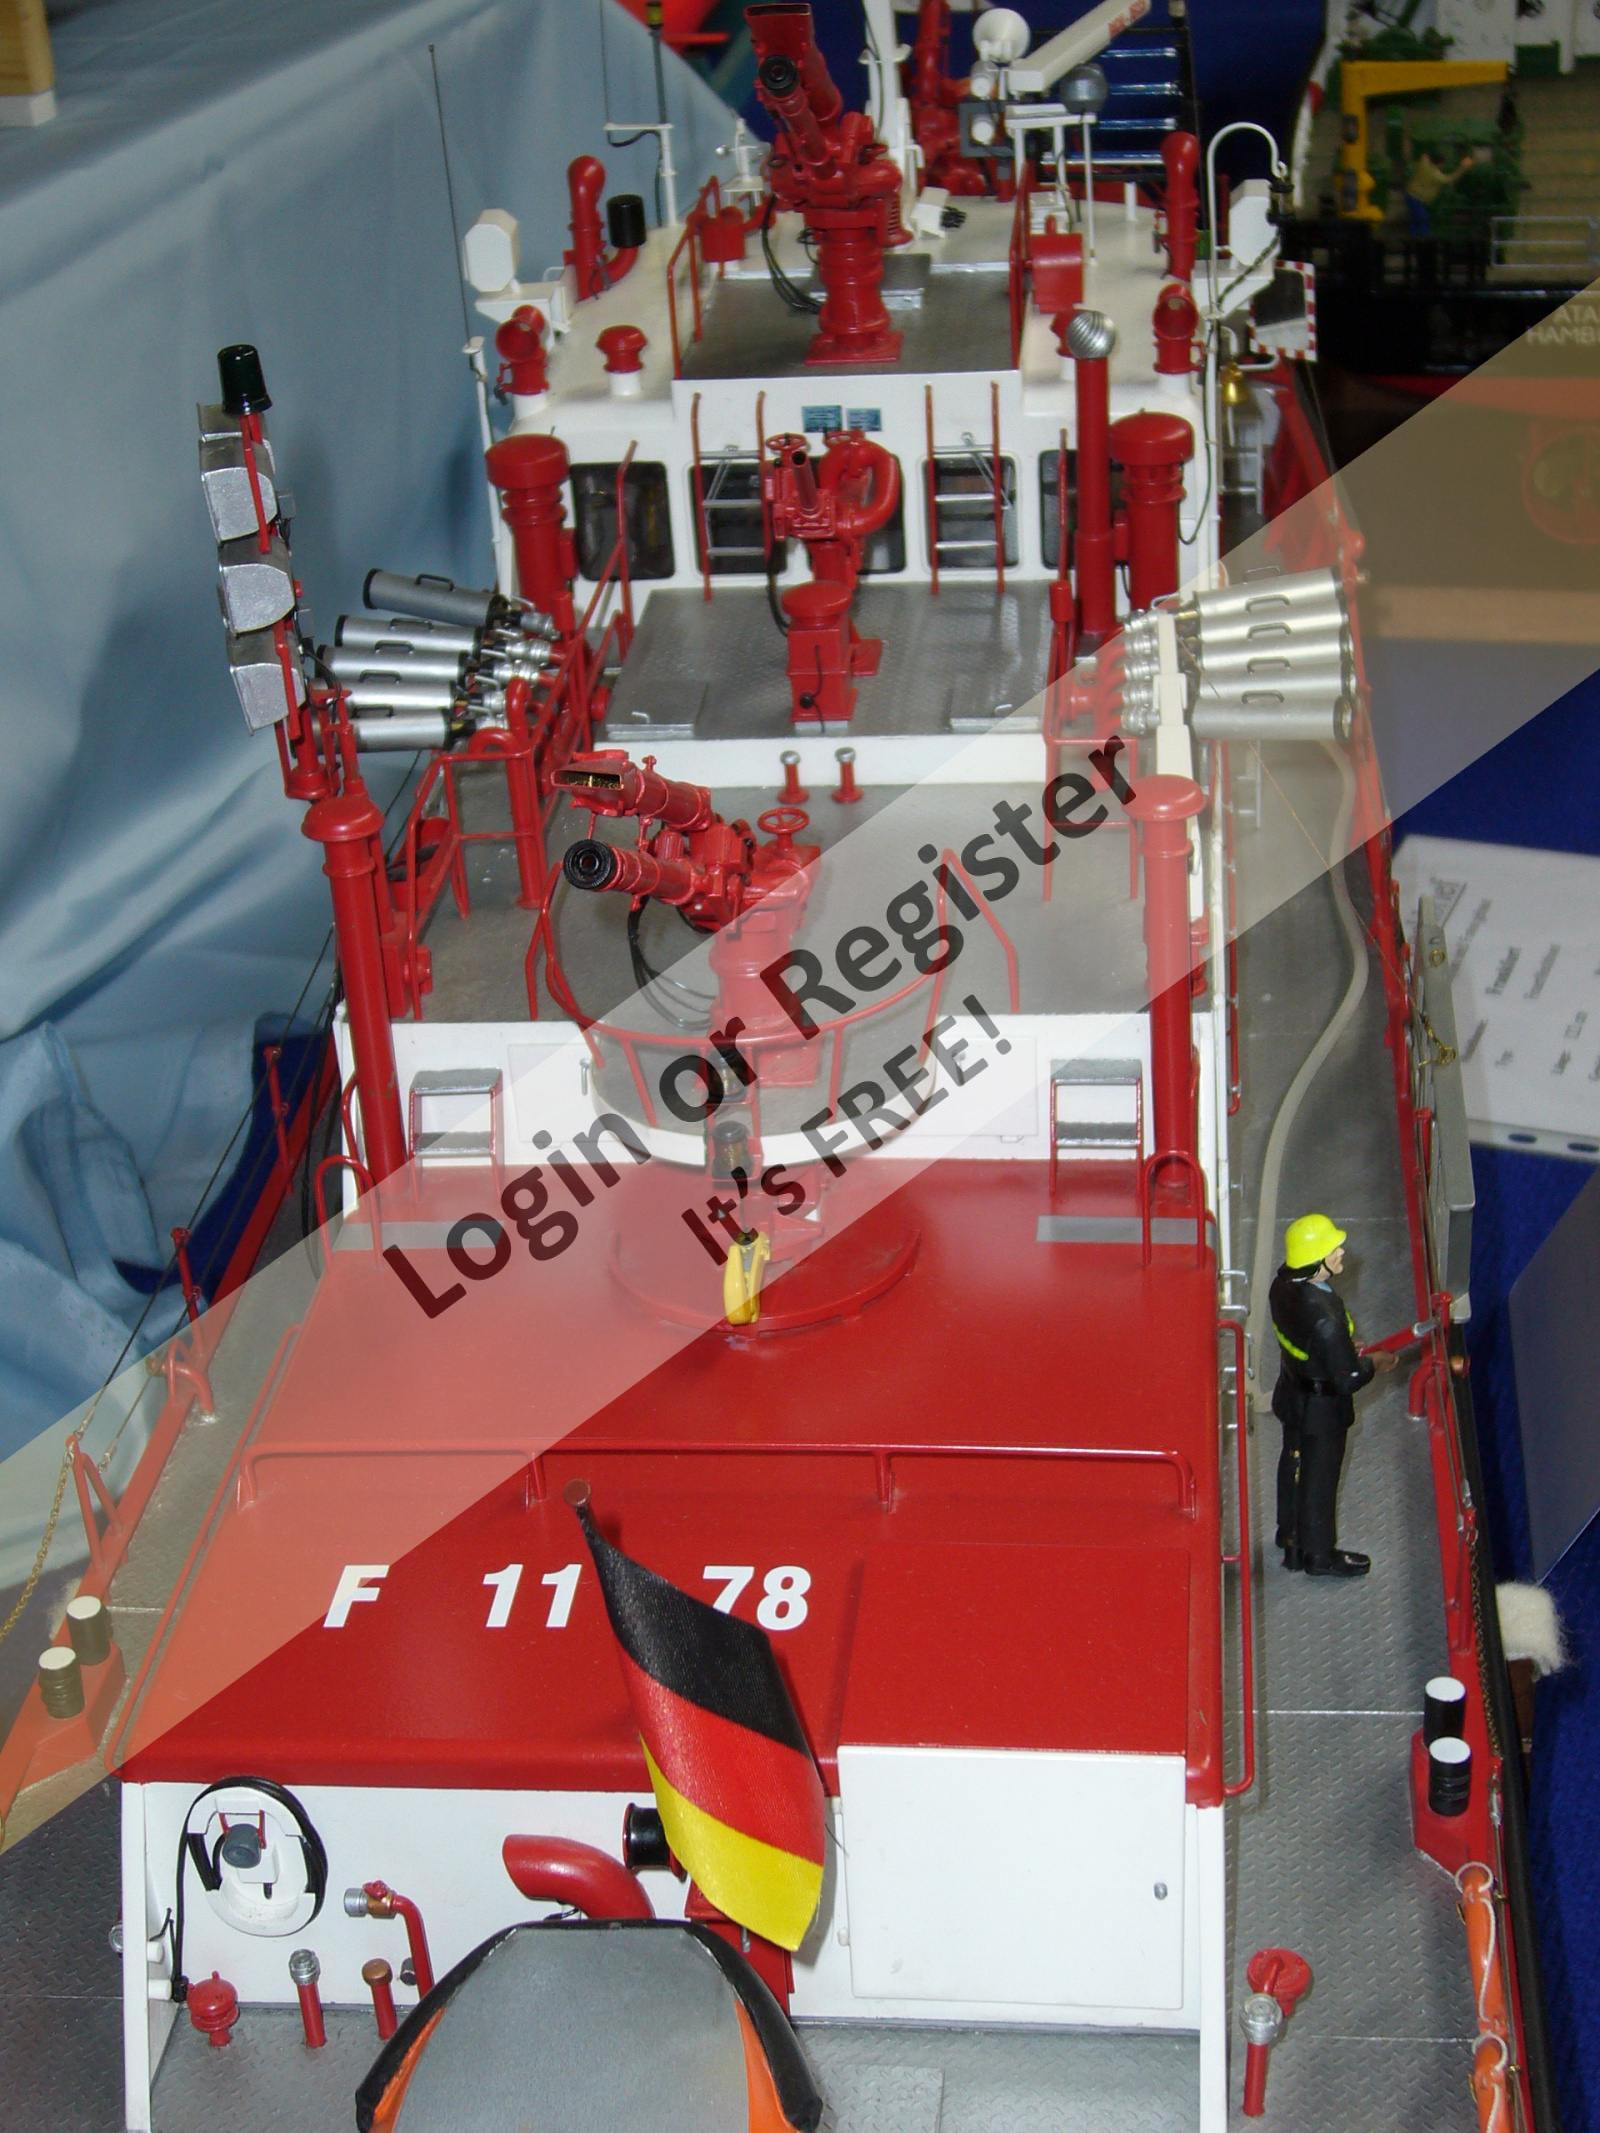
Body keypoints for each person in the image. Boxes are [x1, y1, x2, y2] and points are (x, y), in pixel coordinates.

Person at [1270, 1213, 1398, 1578]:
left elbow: (1303, 1341)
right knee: (1320, 1481)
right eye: (1332, 1250)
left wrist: (1338, 1348)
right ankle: (1319, 1555)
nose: (1341, 1252)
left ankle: (1290, 1537)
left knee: (1293, 1462)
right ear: (1316, 1262)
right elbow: (1348, 1378)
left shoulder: (1282, 1286)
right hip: (1323, 1410)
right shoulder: (1325, 1317)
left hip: (1292, 1392)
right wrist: (1375, 1362)